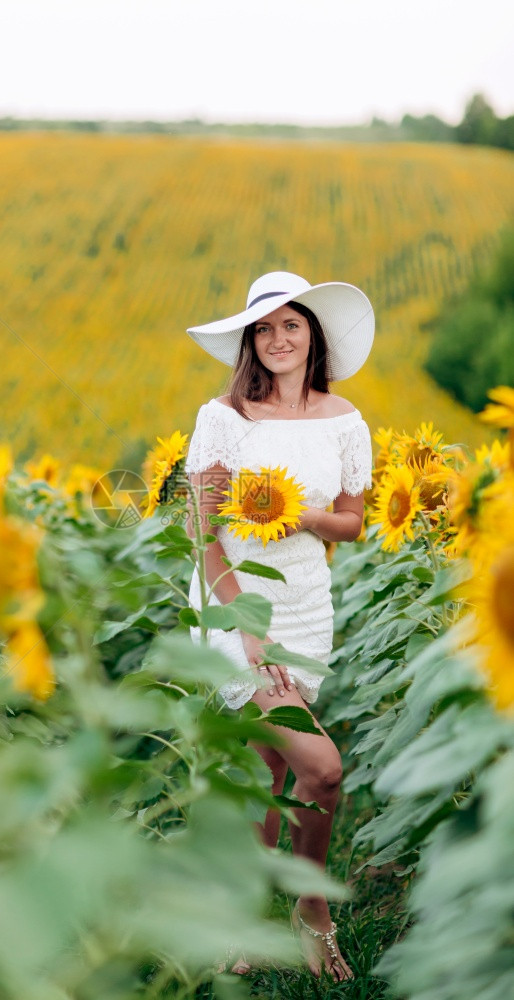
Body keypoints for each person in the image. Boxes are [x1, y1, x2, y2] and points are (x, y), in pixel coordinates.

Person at [183, 271, 374, 981]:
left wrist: (303, 518)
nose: (277, 338)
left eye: (290, 324)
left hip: (306, 603)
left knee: (268, 771)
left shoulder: (345, 419)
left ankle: (247, 923)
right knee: (320, 768)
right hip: (238, 605)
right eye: (262, 328)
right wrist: (247, 628)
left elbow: (352, 523)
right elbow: (203, 535)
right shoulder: (225, 417)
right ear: (249, 342)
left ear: (312, 334)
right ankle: (311, 911)